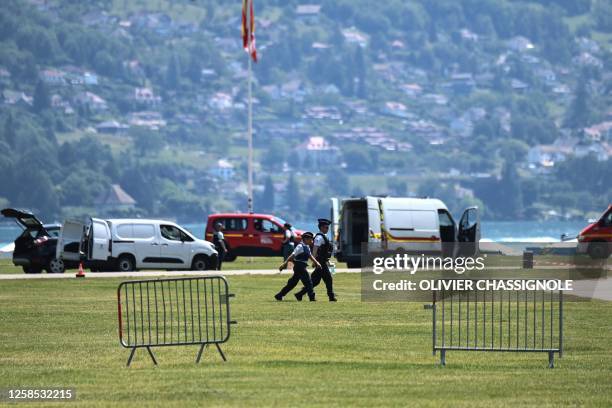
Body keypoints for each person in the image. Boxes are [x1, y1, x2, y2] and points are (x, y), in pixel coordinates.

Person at [295, 218, 337, 302]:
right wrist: (315, 261)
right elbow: (315, 249)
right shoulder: (319, 237)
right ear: (321, 227)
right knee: (328, 279)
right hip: (320, 262)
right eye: (326, 227)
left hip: (322, 261)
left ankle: (300, 294)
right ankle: (331, 297)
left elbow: (324, 251)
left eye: (328, 227)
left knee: (315, 281)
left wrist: (327, 260)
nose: (327, 229)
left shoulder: (323, 237)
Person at [275, 231, 320, 302]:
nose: (312, 241)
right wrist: (284, 264)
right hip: (299, 267)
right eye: (311, 239)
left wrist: (316, 262)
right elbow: (292, 255)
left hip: (301, 267)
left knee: (292, 283)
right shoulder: (300, 246)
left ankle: (279, 295)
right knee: (308, 282)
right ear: (305, 239)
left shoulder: (307, 246)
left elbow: (310, 256)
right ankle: (312, 298)